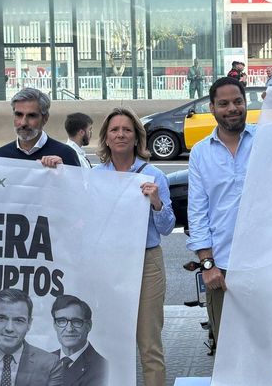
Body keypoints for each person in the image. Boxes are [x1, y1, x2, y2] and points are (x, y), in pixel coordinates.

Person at [94, 107, 174, 386]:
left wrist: (156, 203)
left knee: (148, 342)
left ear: (136, 137)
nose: (120, 135)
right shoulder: (95, 175)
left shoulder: (153, 175)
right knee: (110, 341)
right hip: (109, 264)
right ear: (105, 137)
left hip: (146, 262)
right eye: (114, 130)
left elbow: (166, 227)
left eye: (127, 130)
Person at [187, 77, 256, 349]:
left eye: (238, 101)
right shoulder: (201, 153)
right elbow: (197, 213)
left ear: (245, 103)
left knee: (269, 350)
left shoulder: (267, 141)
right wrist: (207, 265)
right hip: (221, 270)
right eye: (224, 103)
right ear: (212, 108)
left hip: (266, 264)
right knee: (228, 350)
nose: (232, 108)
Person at [0, 289, 63, 386]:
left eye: (18, 320)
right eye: (1, 318)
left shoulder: (50, 364)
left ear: (29, 324)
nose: (9, 328)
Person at [0, 88, 80, 167]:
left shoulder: (67, 155)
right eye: (19, 115)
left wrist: (64, 172)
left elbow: (78, 186)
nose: (23, 123)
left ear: (45, 118)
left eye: (31, 116)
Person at [50, 295, 108, 386]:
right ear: (55, 325)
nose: (69, 329)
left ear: (88, 325)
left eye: (76, 321)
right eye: (61, 321)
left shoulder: (103, 368)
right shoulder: (45, 361)